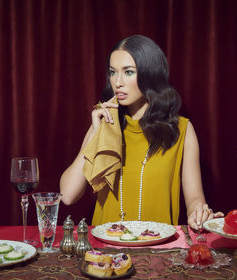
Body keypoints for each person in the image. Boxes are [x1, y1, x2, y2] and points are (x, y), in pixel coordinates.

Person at [60, 34, 223, 230]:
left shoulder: (182, 130)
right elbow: (68, 195)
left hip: (159, 252)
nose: (117, 82)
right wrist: (96, 134)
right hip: (106, 252)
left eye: (128, 72)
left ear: (150, 74)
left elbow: (195, 200)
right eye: (113, 72)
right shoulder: (104, 124)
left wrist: (200, 214)